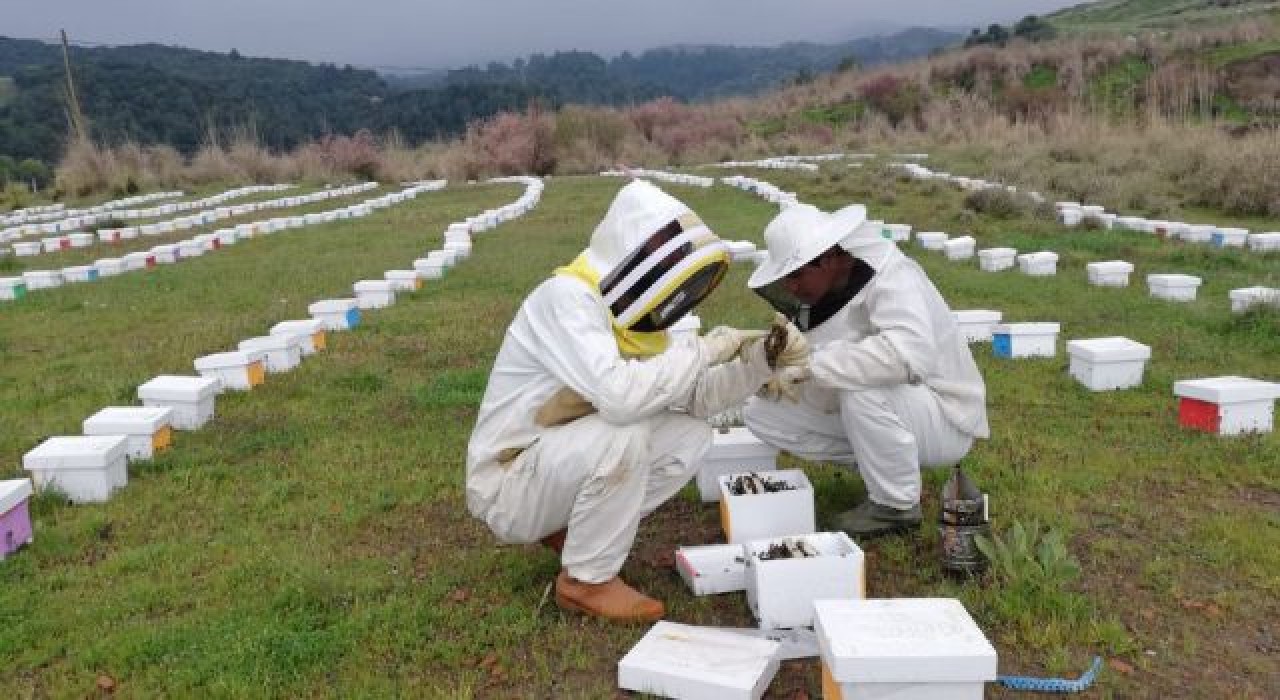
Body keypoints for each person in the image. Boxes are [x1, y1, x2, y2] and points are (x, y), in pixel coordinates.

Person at [465, 179, 806, 622]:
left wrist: (761, 360)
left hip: (555, 462)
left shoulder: (650, 320)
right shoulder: (566, 300)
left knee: (689, 435)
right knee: (622, 433)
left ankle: (574, 534)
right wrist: (705, 350)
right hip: (507, 481)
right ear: (637, 256)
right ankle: (585, 581)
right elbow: (620, 398)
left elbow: (699, 398)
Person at [743, 202, 989, 538]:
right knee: (763, 413)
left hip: (946, 416)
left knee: (859, 385)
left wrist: (813, 365)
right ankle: (883, 463)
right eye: (785, 278)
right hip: (896, 408)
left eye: (796, 274)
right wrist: (769, 370)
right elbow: (821, 362)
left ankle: (896, 504)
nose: (791, 288)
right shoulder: (828, 290)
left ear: (828, 257)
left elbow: (910, 355)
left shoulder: (894, 276)